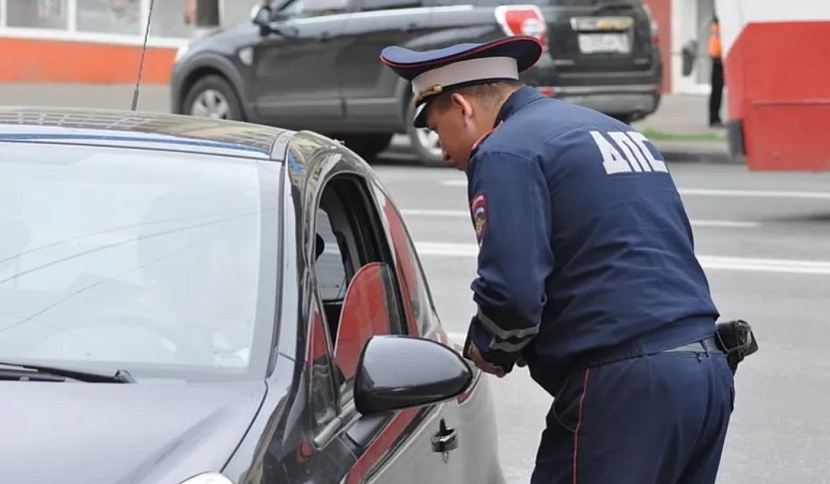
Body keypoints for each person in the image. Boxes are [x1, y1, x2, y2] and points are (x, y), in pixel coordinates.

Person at [380, 36, 735, 484]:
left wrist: (482, 351)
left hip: (625, 388)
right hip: (706, 375)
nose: (446, 152)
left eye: (434, 129)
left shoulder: (504, 150)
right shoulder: (618, 133)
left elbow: (512, 295)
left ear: (462, 106)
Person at [709, 15, 724, 126]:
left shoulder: (715, 32)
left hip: (716, 60)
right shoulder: (719, 31)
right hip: (718, 61)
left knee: (716, 91)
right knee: (717, 91)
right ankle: (714, 118)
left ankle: (714, 117)